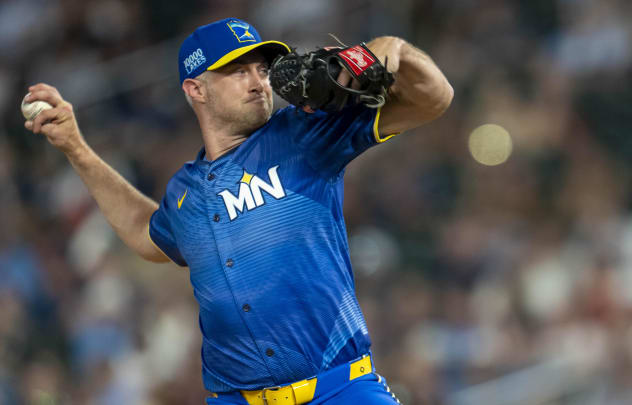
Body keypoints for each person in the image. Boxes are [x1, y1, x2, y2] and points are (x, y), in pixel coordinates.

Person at [24, 17, 452, 405]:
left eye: (262, 69)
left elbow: (434, 98)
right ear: (196, 89)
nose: (258, 82)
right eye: (237, 71)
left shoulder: (305, 134)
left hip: (339, 389)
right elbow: (145, 234)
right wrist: (76, 148)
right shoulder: (184, 191)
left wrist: (395, 49)